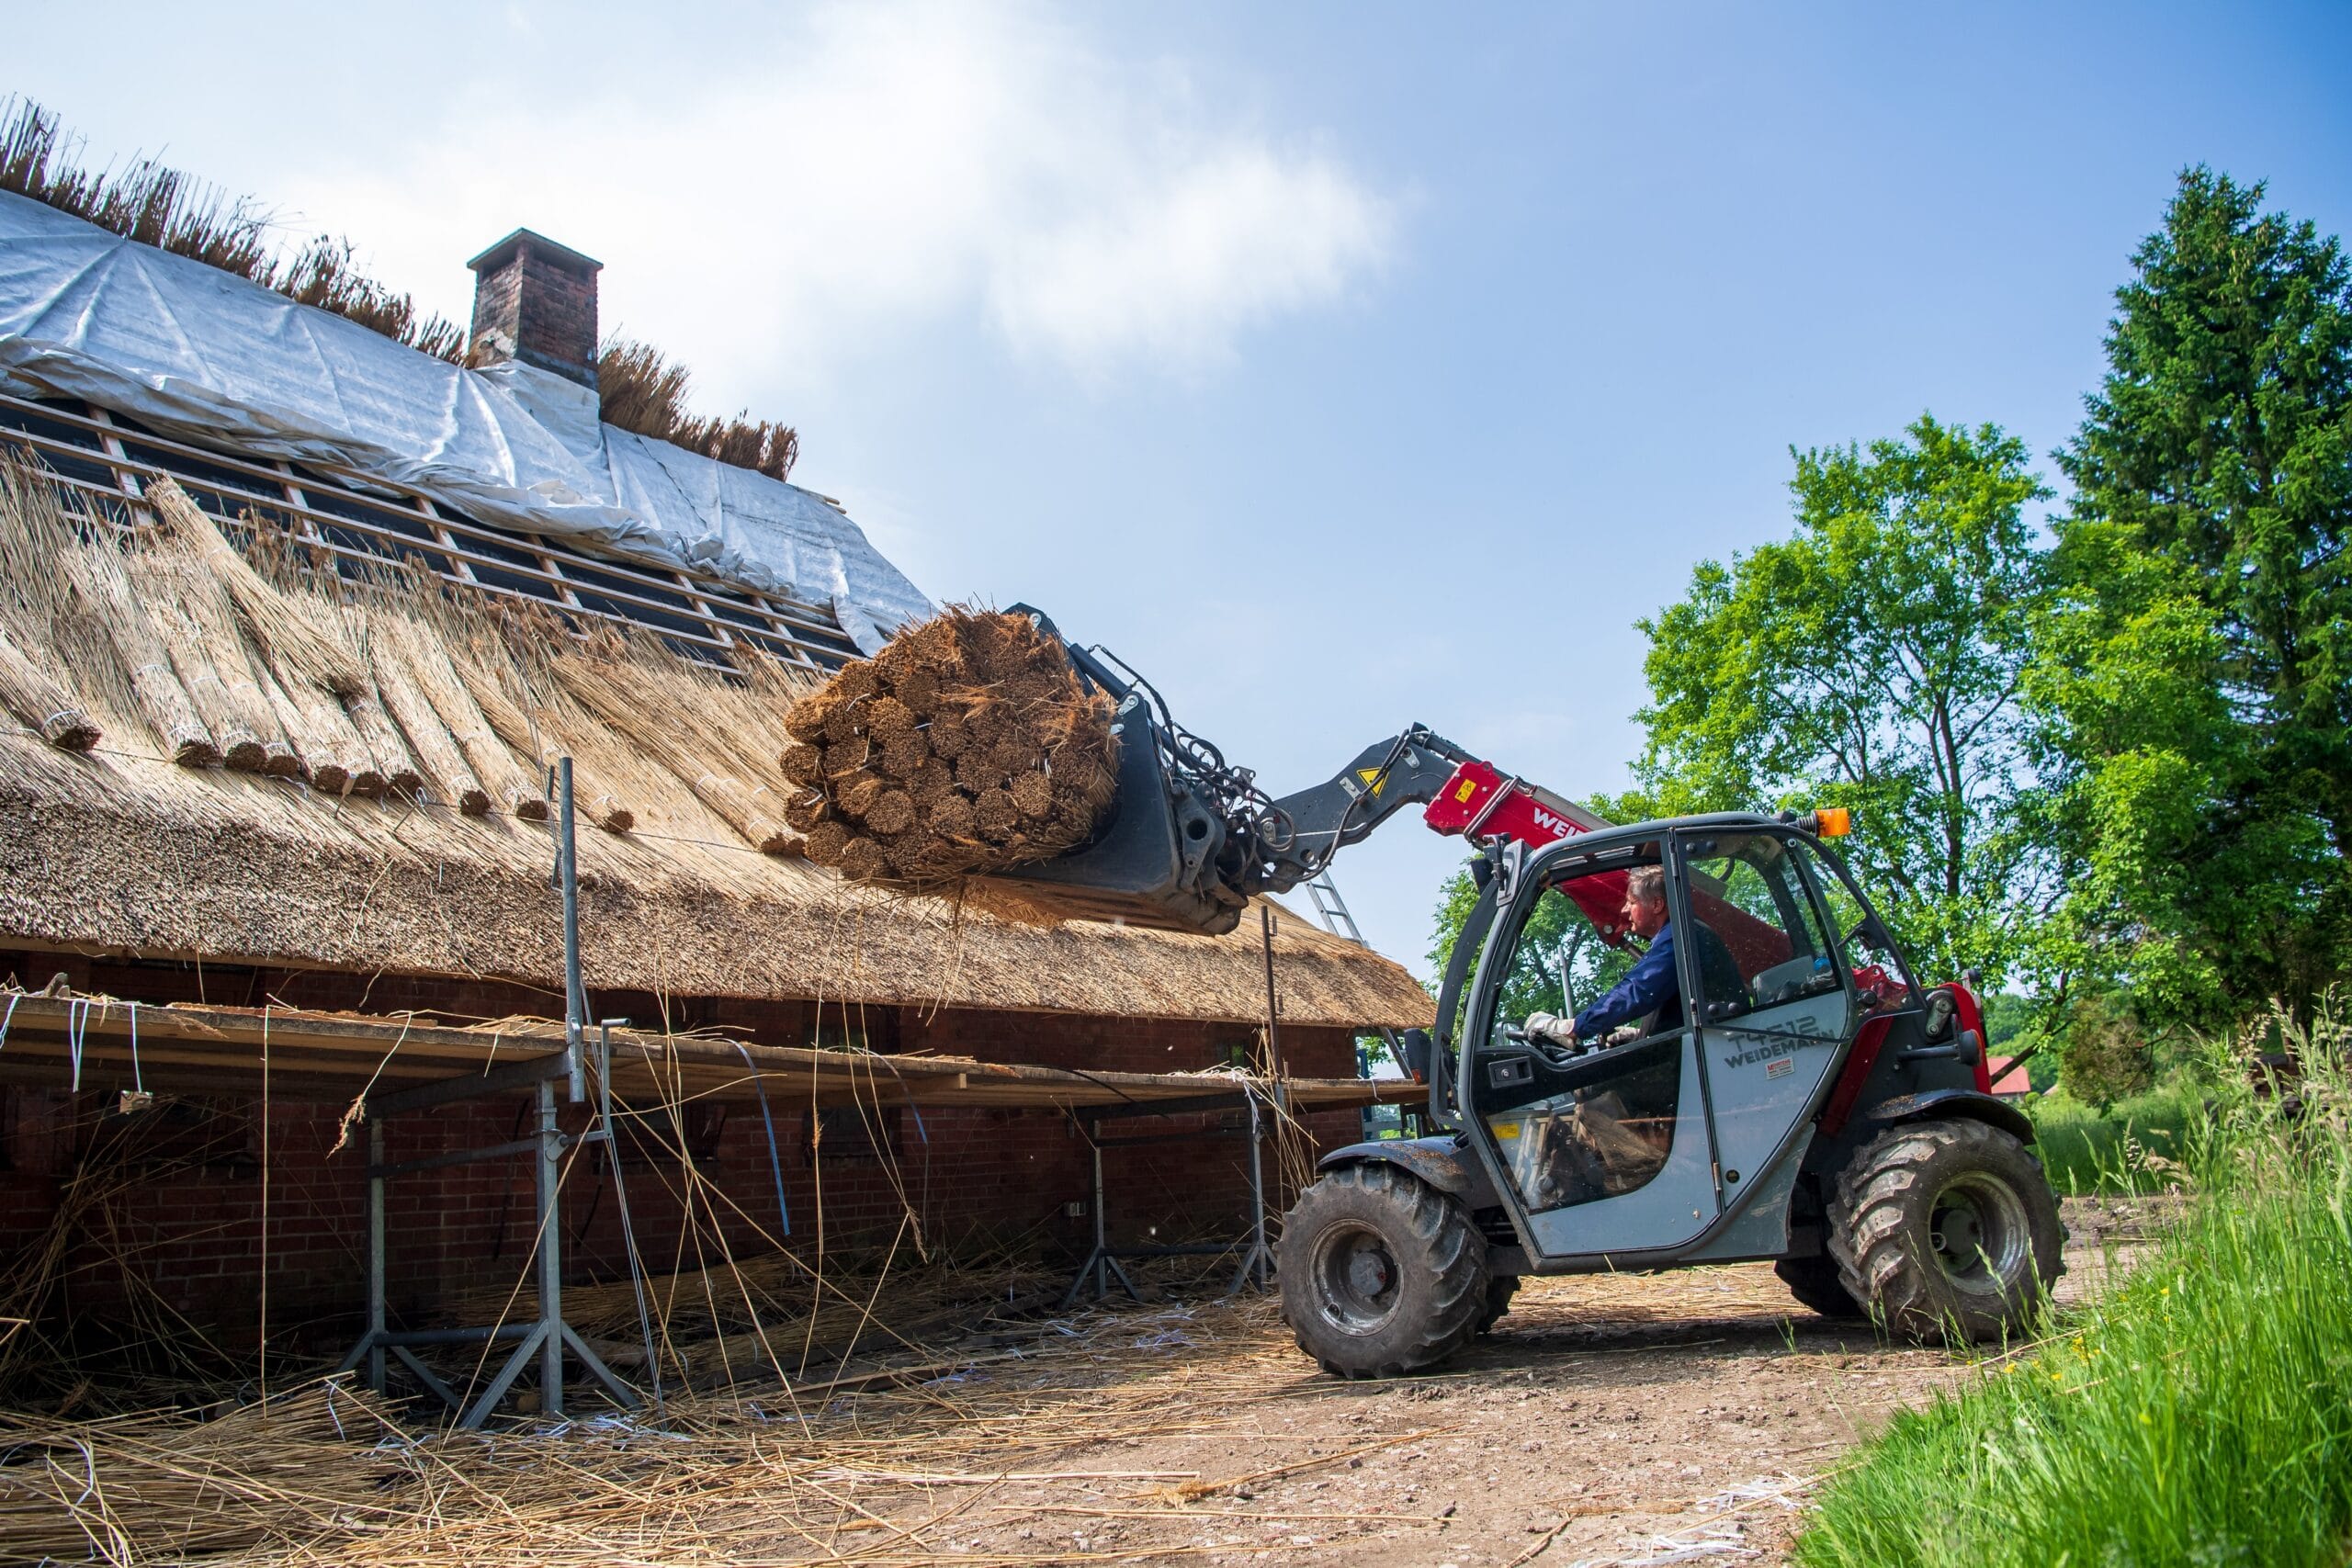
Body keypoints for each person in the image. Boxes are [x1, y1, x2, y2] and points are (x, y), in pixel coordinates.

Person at [1526, 866, 1744, 1049]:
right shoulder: (1679, 934)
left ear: (1657, 905)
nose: (1625, 909)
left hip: (1710, 1052)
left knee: (1598, 1096)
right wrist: (1640, 1034)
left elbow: (1638, 991)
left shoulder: (1680, 936)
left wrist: (1575, 1028)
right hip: (1704, 1048)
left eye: (1631, 901)